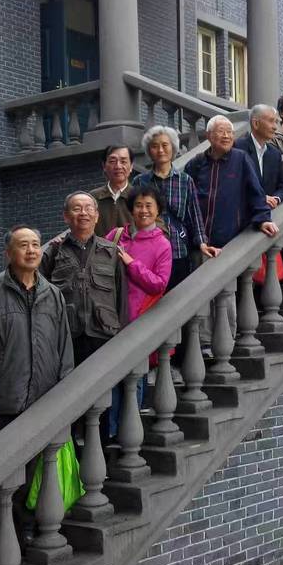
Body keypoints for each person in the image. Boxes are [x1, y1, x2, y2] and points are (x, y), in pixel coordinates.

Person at [0, 225, 74, 543]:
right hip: (4, 399)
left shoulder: (52, 294)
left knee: (37, 470)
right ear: (8, 253)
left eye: (36, 244)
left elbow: (64, 347)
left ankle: (27, 528)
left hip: (43, 399)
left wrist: (65, 393)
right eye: (23, 245)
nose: (31, 250)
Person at [105, 185, 172, 429]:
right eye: (138, 205)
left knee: (134, 378)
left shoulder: (162, 244)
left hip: (139, 318)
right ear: (131, 209)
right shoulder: (116, 235)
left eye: (149, 206)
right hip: (110, 317)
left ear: (157, 211)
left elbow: (159, 284)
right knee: (110, 379)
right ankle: (111, 433)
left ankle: (130, 432)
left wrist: (132, 264)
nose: (143, 210)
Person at [40, 192, 127, 367]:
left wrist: (122, 334)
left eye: (88, 208)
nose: (83, 213)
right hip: (66, 336)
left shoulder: (111, 251)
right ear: (66, 216)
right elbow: (42, 296)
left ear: (97, 216)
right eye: (77, 208)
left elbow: (122, 296)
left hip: (105, 335)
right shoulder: (54, 252)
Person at [134, 125, 220, 290]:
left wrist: (202, 243)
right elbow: (133, 216)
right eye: (155, 146)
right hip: (149, 249)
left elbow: (195, 215)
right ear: (149, 151)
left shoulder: (185, 180)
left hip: (178, 249)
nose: (160, 150)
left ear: (173, 148)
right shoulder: (140, 181)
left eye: (165, 145)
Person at [184, 115, 280, 248]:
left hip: (231, 240)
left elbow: (255, 192)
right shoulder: (197, 163)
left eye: (230, 132)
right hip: (199, 241)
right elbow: (186, 198)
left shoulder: (241, 159)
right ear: (209, 135)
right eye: (221, 131)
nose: (226, 136)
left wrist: (263, 220)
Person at [233, 105, 283, 208]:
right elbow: (233, 183)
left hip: (268, 213)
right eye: (271, 121)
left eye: (276, 122)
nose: (275, 127)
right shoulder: (237, 148)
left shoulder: (275, 154)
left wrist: (276, 198)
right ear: (255, 124)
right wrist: (260, 197)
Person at [89, 145, 135, 236]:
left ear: (131, 166)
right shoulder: (93, 198)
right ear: (104, 166)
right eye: (112, 161)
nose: (118, 166)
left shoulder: (140, 196)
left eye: (123, 161)